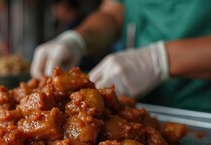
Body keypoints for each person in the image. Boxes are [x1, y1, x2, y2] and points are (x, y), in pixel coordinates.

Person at [31, 0, 211, 113]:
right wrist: (77, 38)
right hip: (137, 107)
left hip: (200, 109)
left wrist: (159, 60)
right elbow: (112, 13)